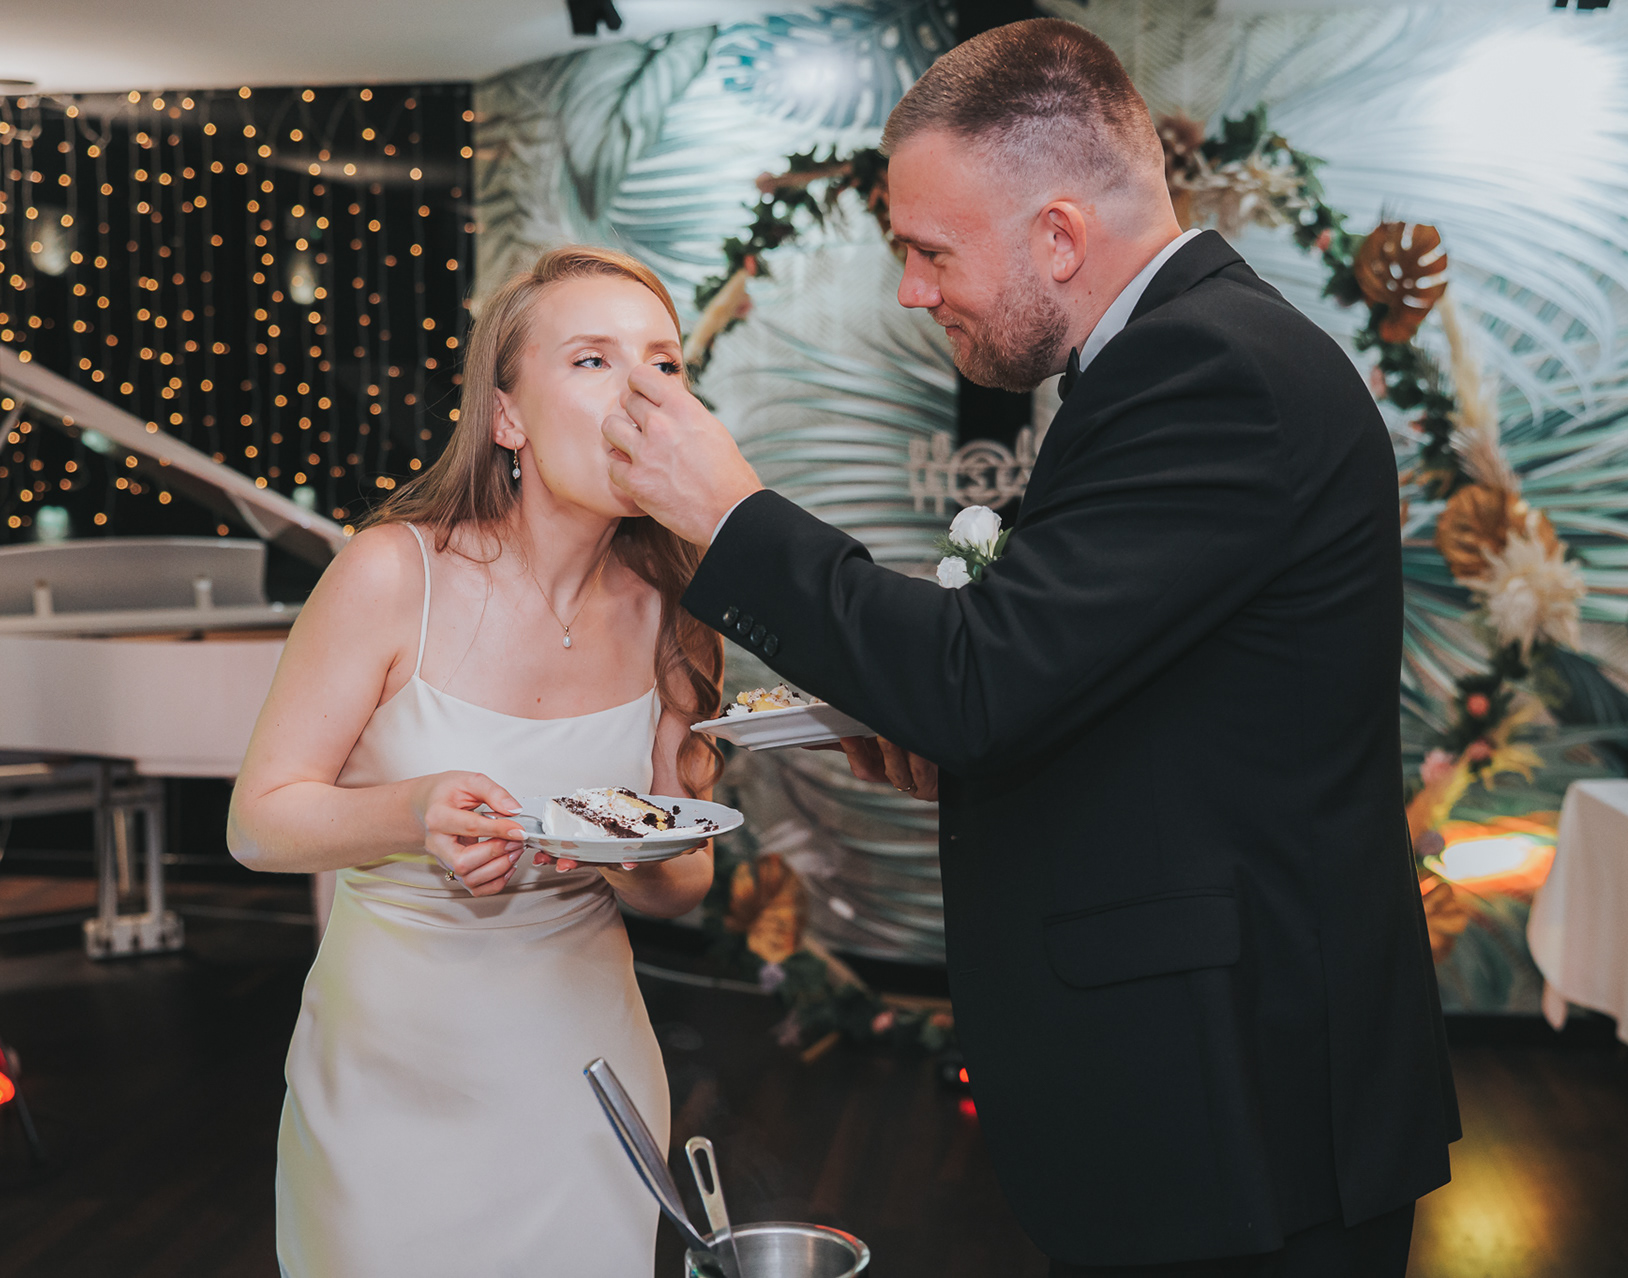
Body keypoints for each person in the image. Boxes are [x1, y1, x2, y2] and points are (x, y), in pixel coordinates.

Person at [600, 19, 1458, 1278]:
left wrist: (727, 512)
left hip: (1244, 1110)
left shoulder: (1210, 369)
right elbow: (1117, 688)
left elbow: (981, 678)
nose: (913, 288)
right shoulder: (1181, 355)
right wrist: (958, 739)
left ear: (1059, 235)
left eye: (928, 250)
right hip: (1215, 1091)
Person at [227, 246, 722, 1277]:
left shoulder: (679, 613)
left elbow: (686, 880)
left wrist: (623, 856)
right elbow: (258, 822)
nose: (641, 391)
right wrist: (411, 813)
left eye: (664, 363)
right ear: (506, 418)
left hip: (587, 1088)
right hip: (390, 1091)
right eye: (592, 360)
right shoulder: (390, 572)